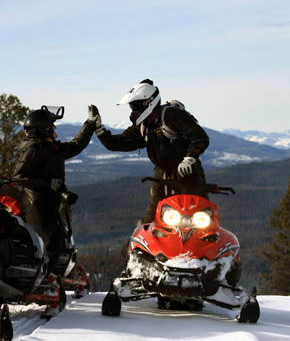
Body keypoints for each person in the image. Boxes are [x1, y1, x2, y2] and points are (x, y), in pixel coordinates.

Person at [93, 79, 210, 224]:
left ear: (148, 103)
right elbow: (117, 143)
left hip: (188, 175)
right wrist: (99, 130)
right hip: (161, 177)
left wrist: (189, 159)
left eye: (136, 107)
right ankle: (142, 246)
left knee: (201, 221)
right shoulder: (144, 126)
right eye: (132, 107)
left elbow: (200, 137)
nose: (134, 111)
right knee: (150, 222)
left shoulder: (172, 116)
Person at [13, 104, 99, 275]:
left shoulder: (51, 148)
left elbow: (76, 145)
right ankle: (40, 283)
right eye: (52, 125)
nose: (55, 127)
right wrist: (49, 184)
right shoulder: (34, 149)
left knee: (58, 243)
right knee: (51, 243)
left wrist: (90, 123)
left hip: (47, 204)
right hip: (35, 204)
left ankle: (44, 281)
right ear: (42, 129)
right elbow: (19, 177)